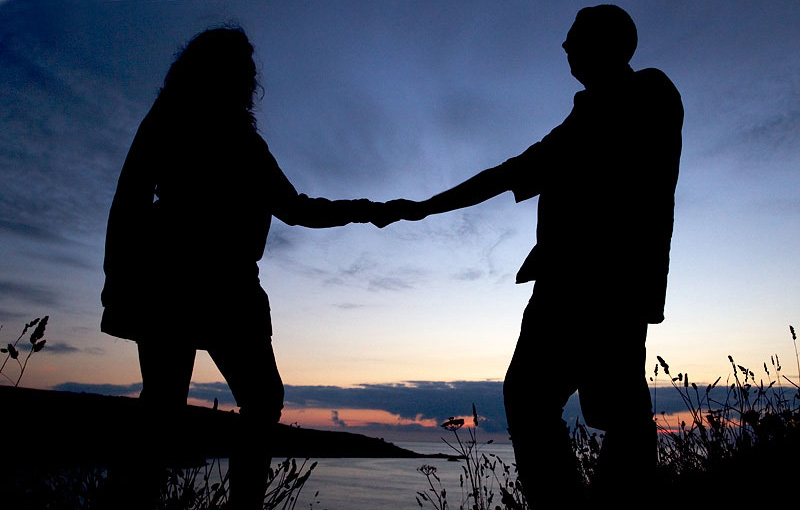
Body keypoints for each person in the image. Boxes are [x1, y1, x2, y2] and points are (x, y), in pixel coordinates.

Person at [378, 5, 683, 506]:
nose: (563, 47)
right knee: (583, 405)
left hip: (599, 285)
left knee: (566, 404)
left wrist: (422, 208)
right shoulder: (594, 109)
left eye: (573, 38)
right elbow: (520, 168)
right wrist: (423, 208)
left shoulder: (645, 93)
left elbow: (524, 168)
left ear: (606, 43)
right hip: (578, 283)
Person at [100, 27, 378, 510]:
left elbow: (295, 207)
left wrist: (370, 209)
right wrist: (118, 280)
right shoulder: (170, 117)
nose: (248, 75)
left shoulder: (246, 142)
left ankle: (238, 505)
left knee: (259, 398)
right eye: (239, 65)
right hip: (172, 280)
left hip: (228, 288)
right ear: (213, 68)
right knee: (169, 405)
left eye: (248, 67)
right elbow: (129, 197)